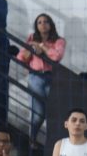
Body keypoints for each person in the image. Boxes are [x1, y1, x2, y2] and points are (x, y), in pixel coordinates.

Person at [16, 13, 66, 148]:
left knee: (52, 113)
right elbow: (20, 58)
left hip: (52, 77)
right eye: (39, 22)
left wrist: (42, 46)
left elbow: (56, 56)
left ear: (51, 24)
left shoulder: (59, 41)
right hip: (36, 77)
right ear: (36, 26)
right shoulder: (31, 39)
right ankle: (32, 139)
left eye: (46, 21)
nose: (43, 24)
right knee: (38, 114)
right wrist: (32, 49)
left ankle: (52, 145)